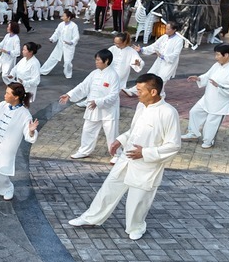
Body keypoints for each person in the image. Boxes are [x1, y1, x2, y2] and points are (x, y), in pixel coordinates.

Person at [68, 73, 181, 241]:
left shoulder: (168, 113)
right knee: (108, 189)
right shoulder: (141, 107)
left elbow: (174, 145)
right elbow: (134, 130)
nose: (137, 93)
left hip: (147, 165)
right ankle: (91, 218)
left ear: (153, 92)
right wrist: (120, 140)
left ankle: (136, 227)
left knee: (138, 200)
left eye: (140, 90)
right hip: (126, 158)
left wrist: (145, 153)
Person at [59, 50, 121, 163]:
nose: (96, 62)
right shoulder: (94, 73)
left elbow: (114, 95)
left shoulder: (113, 75)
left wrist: (98, 102)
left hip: (108, 110)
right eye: (95, 60)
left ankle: (116, 154)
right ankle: (84, 151)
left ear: (106, 61)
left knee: (111, 132)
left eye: (98, 60)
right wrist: (69, 94)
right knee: (88, 130)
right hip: (93, 108)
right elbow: (83, 86)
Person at [181, 43, 229, 148]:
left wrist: (220, 86)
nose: (216, 57)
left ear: (226, 55)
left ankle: (208, 141)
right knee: (194, 112)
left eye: (218, 55)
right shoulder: (217, 65)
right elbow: (208, 75)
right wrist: (199, 78)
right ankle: (193, 133)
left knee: (211, 122)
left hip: (221, 101)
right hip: (208, 97)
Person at [122, 22, 184, 96]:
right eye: (166, 28)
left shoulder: (179, 40)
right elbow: (154, 46)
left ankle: (160, 94)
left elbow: (176, 54)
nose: (166, 30)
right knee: (149, 76)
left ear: (174, 30)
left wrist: (163, 56)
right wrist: (142, 49)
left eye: (168, 29)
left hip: (169, 63)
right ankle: (133, 91)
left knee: (161, 79)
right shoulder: (164, 37)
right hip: (159, 61)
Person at [40, 10, 80, 79]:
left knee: (67, 62)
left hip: (68, 46)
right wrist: (52, 39)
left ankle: (68, 74)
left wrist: (71, 42)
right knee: (52, 58)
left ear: (68, 17)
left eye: (64, 16)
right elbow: (57, 33)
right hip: (60, 45)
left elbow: (76, 36)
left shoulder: (74, 26)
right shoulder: (61, 24)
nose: (62, 17)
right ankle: (42, 71)